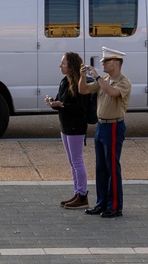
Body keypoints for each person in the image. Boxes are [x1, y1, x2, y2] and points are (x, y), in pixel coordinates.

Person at [80, 49, 131, 218]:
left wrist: (97, 77)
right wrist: (82, 76)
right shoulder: (106, 80)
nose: (102, 64)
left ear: (116, 63)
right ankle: (101, 203)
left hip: (114, 125)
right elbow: (83, 90)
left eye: (106, 62)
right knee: (101, 167)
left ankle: (115, 206)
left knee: (112, 166)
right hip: (101, 125)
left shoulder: (123, 82)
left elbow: (112, 92)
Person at [47, 51, 93, 209]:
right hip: (65, 125)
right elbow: (61, 101)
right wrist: (53, 103)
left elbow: (80, 109)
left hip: (75, 127)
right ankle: (77, 193)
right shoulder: (64, 81)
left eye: (63, 63)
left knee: (77, 161)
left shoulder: (81, 83)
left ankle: (82, 195)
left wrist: (62, 105)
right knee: (72, 162)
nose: (60, 66)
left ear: (71, 65)